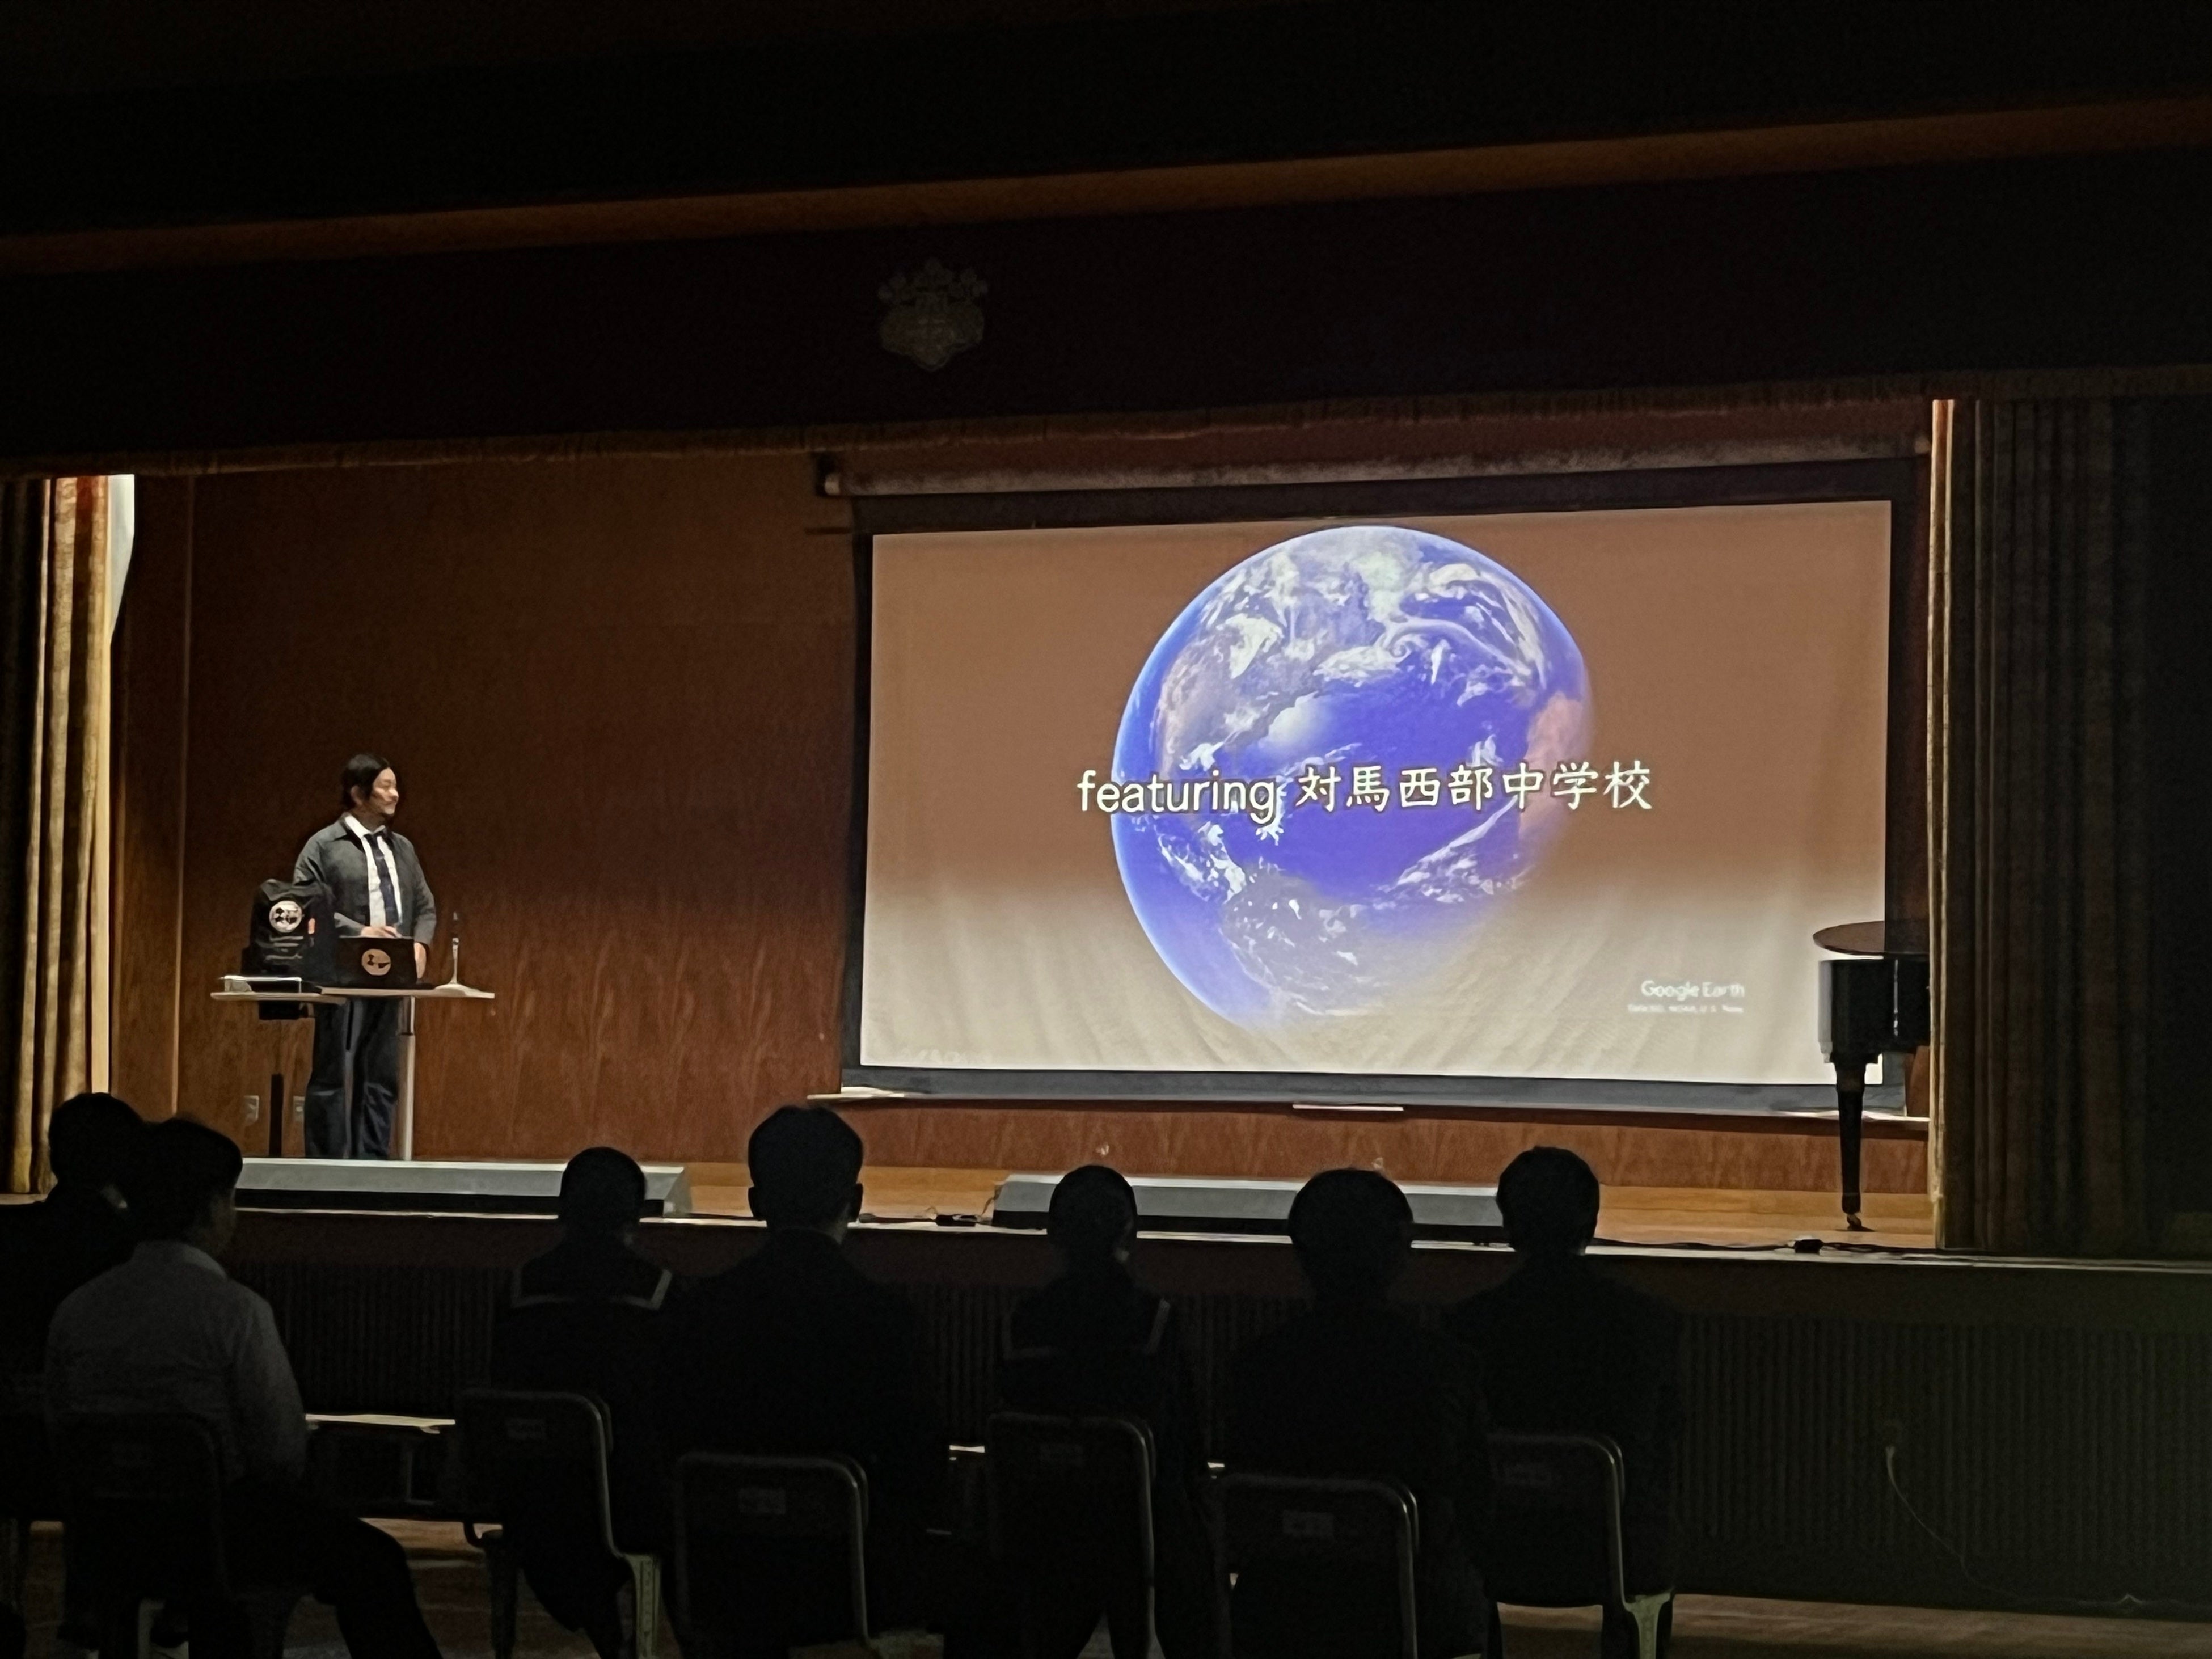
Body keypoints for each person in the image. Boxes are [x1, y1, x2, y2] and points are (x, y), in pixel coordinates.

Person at [43, 1118, 444, 1659]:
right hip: (216, 1538)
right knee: (373, 1560)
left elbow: (60, 1426)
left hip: (106, 1539)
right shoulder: (236, 1313)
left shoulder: (77, 1311)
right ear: (212, 1207)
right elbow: (280, 1454)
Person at [658, 1105, 942, 1649]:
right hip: (850, 1583)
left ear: (756, 1203)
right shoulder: (886, 1321)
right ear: (854, 1202)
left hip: (718, 1577)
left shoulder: (697, 1312)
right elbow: (921, 1477)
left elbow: (668, 1443)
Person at [1227, 1170, 1491, 1659]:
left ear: (1301, 1256)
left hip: (1279, 1609)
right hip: (1408, 1611)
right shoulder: (1445, 1368)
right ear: (1400, 1256)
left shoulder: (1255, 1366)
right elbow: (1479, 1503)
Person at [1446, 1147, 1681, 1615]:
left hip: (1498, 1544)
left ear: (1509, 1228)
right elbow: (1663, 1447)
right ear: (1591, 1222)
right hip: (1613, 1548)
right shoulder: (1645, 1322)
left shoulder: (1467, 1324)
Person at [998, 1164, 1210, 1659]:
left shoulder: (1020, 1324)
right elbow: (1182, 1442)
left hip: (1044, 1527)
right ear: (1130, 1233)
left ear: (1052, 1234)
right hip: (1136, 1529)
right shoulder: (1154, 1321)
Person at [489, 1147, 675, 1658]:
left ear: (562, 1210)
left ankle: (609, 1636)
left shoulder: (521, 1288)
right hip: (631, 1500)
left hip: (531, 1499)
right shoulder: (659, 1292)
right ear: (636, 1215)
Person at [294, 753, 437, 1160]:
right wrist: (361, 931)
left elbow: (426, 907)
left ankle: (374, 1162)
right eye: (385, 786)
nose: (395, 794)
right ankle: (326, 1165)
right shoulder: (323, 846)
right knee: (333, 1073)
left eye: (395, 785)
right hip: (339, 976)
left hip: (391, 977)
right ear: (358, 794)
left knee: (381, 1075)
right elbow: (304, 904)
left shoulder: (402, 848)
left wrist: (420, 945)